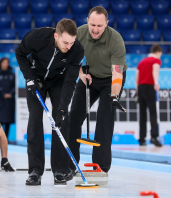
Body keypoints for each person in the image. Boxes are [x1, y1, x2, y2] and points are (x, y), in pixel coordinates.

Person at [15, 19, 84, 185]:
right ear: (56, 36)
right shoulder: (37, 37)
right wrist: (29, 77)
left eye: (71, 42)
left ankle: (60, 171)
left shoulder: (77, 50)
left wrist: (62, 109)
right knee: (35, 119)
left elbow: (70, 82)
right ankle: (35, 171)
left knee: (61, 121)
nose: (68, 46)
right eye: (65, 42)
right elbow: (19, 53)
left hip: (58, 82)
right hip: (35, 79)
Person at [67, 6, 127, 175]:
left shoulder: (116, 39)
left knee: (104, 119)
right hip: (89, 76)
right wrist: (81, 74)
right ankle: (71, 164)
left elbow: (117, 73)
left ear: (106, 24)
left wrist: (114, 95)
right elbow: (71, 60)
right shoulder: (78, 33)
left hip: (111, 80)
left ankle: (100, 167)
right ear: (87, 21)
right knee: (73, 118)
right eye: (92, 24)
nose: (95, 29)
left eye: (99, 26)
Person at [135, 45, 163, 147]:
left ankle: (142, 139)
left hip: (141, 88)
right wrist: (156, 82)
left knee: (142, 114)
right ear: (158, 52)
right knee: (152, 113)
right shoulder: (156, 60)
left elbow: (136, 77)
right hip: (150, 86)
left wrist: (137, 89)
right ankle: (154, 137)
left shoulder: (141, 62)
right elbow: (155, 70)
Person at [0, 58, 15, 141]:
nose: (5, 64)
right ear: (0, 63)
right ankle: (0, 138)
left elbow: (15, 86)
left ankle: (6, 138)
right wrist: (3, 94)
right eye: (3, 62)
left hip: (10, 101)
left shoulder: (12, 75)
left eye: (7, 63)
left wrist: (11, 93)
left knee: (8, 120)